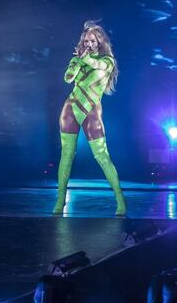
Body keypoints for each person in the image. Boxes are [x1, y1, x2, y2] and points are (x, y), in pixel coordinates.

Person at [53, 20, 126, 216]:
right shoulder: (78, 58)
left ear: (100, 42)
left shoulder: (107, 61)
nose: (89, 44)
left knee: (102, 156)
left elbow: (97, 64)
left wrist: (84, 60)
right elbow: (68, 78)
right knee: (66, 155)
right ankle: (60, 201)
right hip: (70, 108)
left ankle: (120, 199)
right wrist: (75, 64)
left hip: (92, 111)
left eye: (93, 41)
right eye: (86, 41)